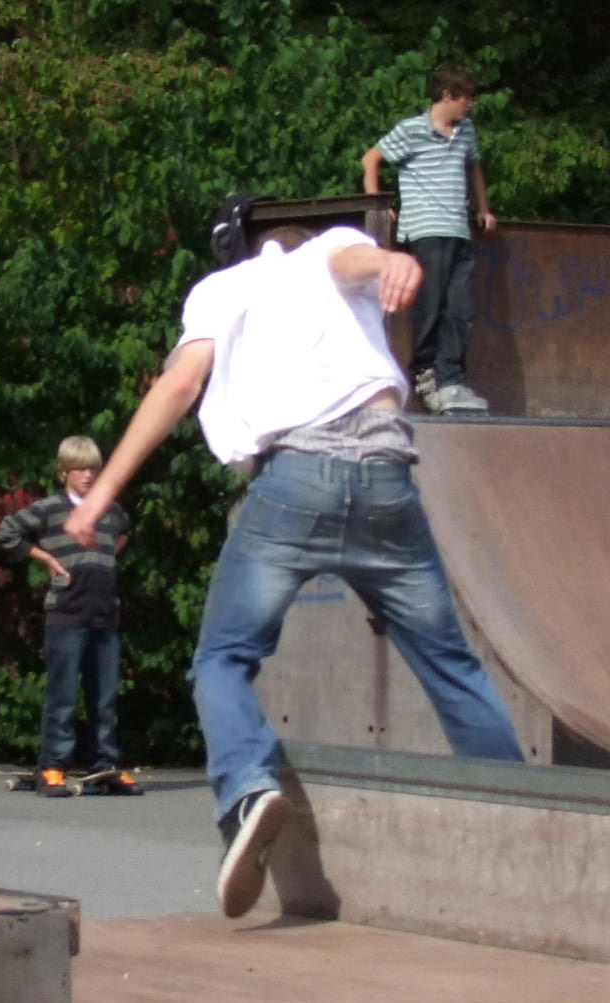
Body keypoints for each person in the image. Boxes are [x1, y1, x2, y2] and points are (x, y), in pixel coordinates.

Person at [65, 209, 523, 917]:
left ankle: (248, 790)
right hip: (386, 480)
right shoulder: (331, 246)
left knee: (222, 659)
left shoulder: (220, 289)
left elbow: (179, 386)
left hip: (294, 484)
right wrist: (390, 262)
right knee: (452, 664)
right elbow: (351, 261)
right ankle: (521, 817)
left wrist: (99, 499)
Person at [0, 435, 142, 797]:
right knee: (63, 696)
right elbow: (5, 532)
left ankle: (104, 764)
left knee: (104, 697)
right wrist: (44, 557)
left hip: (104, 613)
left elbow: (125, 531)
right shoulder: (50, 509)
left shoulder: (109, 510)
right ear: (64, 472)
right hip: (66, 613)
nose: (88, 475)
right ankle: (52, 765)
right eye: (80, 469)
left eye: (93, 468)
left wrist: (105, 556)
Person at [361, 63, 496, 415]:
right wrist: (379, 204)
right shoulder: (412, 130)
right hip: (425, 229)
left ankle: (452, 380)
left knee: (459, 309)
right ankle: (425, 375)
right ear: (448, 96)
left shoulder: (465, 131)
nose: (470, 105)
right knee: (431, 305)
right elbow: (371, 159)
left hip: (457, 228)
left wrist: (484, 208)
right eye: (466, 98)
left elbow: (473, 166)